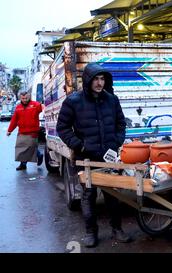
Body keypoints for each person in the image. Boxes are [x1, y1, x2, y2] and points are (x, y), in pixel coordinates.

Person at [56, 63, 129, 248]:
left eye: (102, 79)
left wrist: (117, 142)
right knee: (88, 196)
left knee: (113, 195)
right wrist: (79, 145)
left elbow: (121, 123)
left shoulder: (112, 100)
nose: (99, 83)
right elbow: (62, 127)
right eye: (96, 79)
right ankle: (90, 232)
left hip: (108, 157)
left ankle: (117, 229)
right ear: (88, 80)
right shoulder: (73, 101)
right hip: (85, 158)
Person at [6, 90, 44, 170]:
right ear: (20, 98)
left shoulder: (36, 105)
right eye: (23, 98)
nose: (25, 100)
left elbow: (44, 109)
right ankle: (23, 165)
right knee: (21, 148)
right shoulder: (18, 107)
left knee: (30, 148)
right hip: (22, 132)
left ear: (29, 96)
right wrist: (9, 130)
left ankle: (39, 155)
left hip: (32, 132)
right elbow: (14, 120)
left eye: (26, 98)